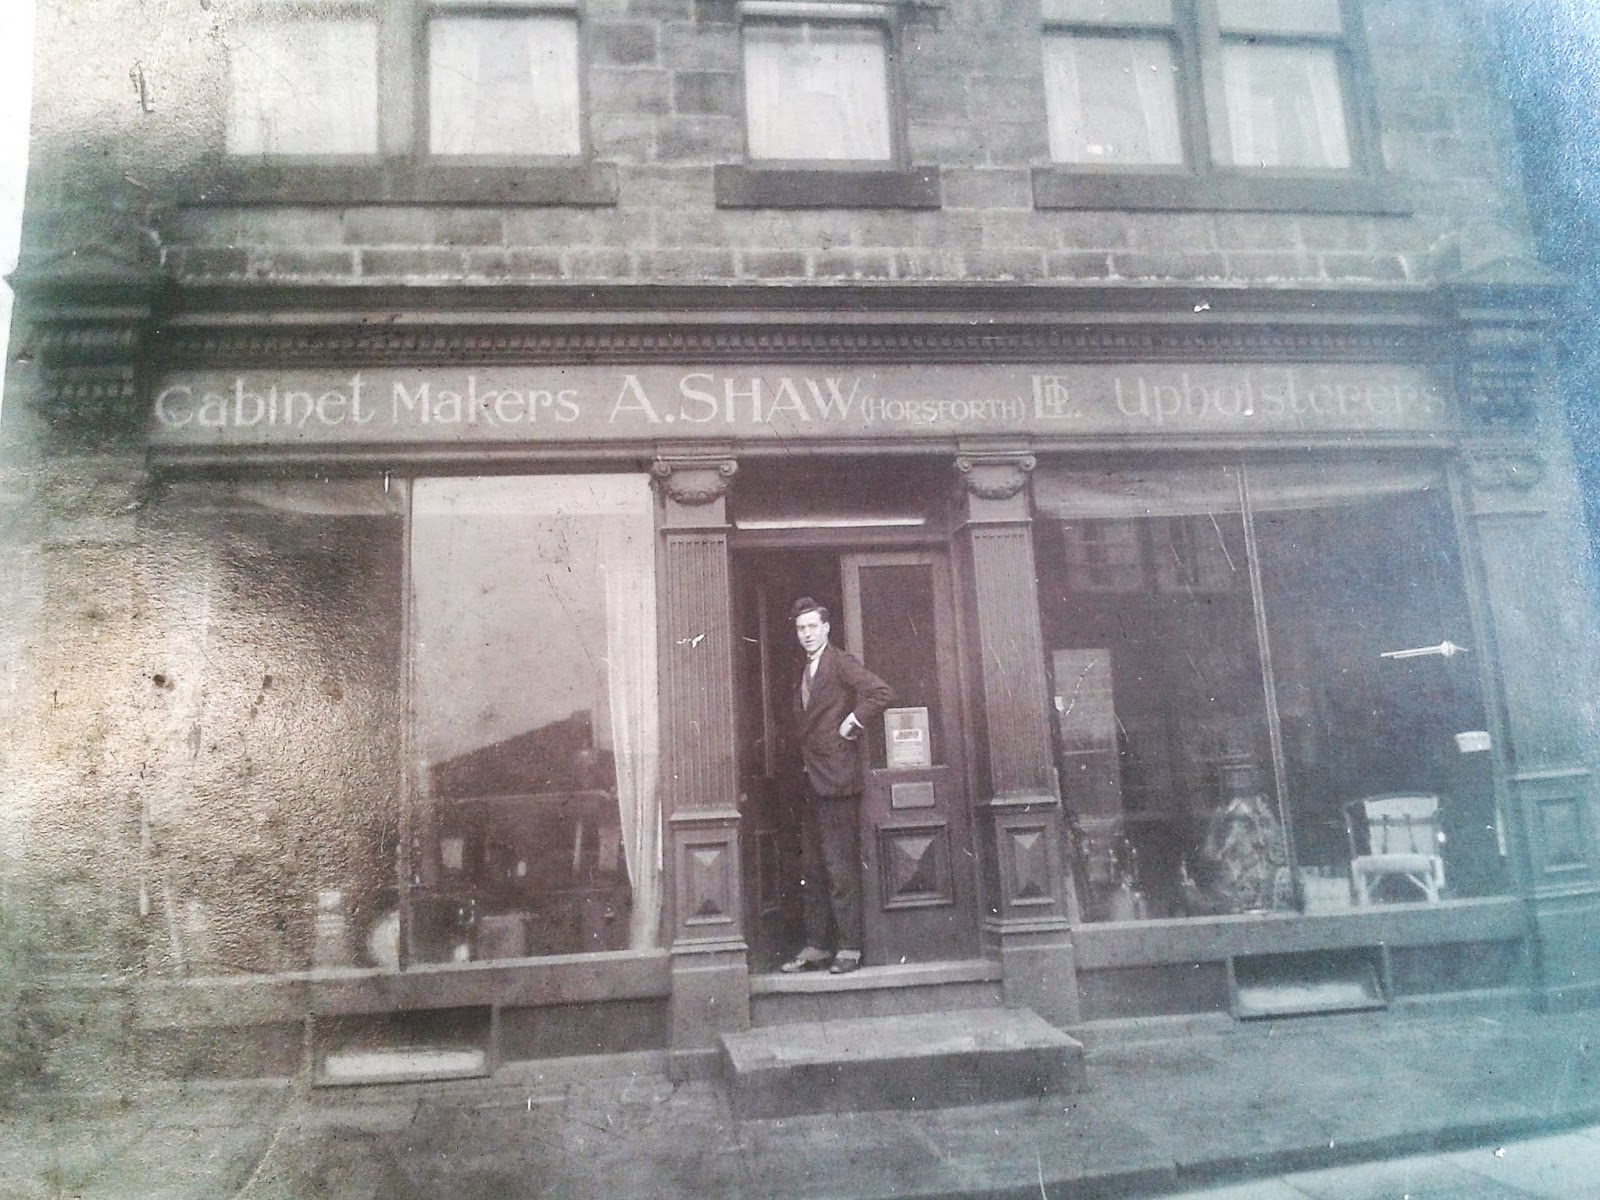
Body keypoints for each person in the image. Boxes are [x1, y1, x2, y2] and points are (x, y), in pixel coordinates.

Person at [781, 596, 895, 975]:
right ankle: (816, 946)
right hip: (809, 781)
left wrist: (853, 721)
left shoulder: (839, 662)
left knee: (839, 867)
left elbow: (881, 692)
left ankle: (849, 948)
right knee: (812, 868)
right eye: (801, 628)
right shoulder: (803, 667)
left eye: (813, 626)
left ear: (827, 628)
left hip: (837, 781)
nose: (807, 634)